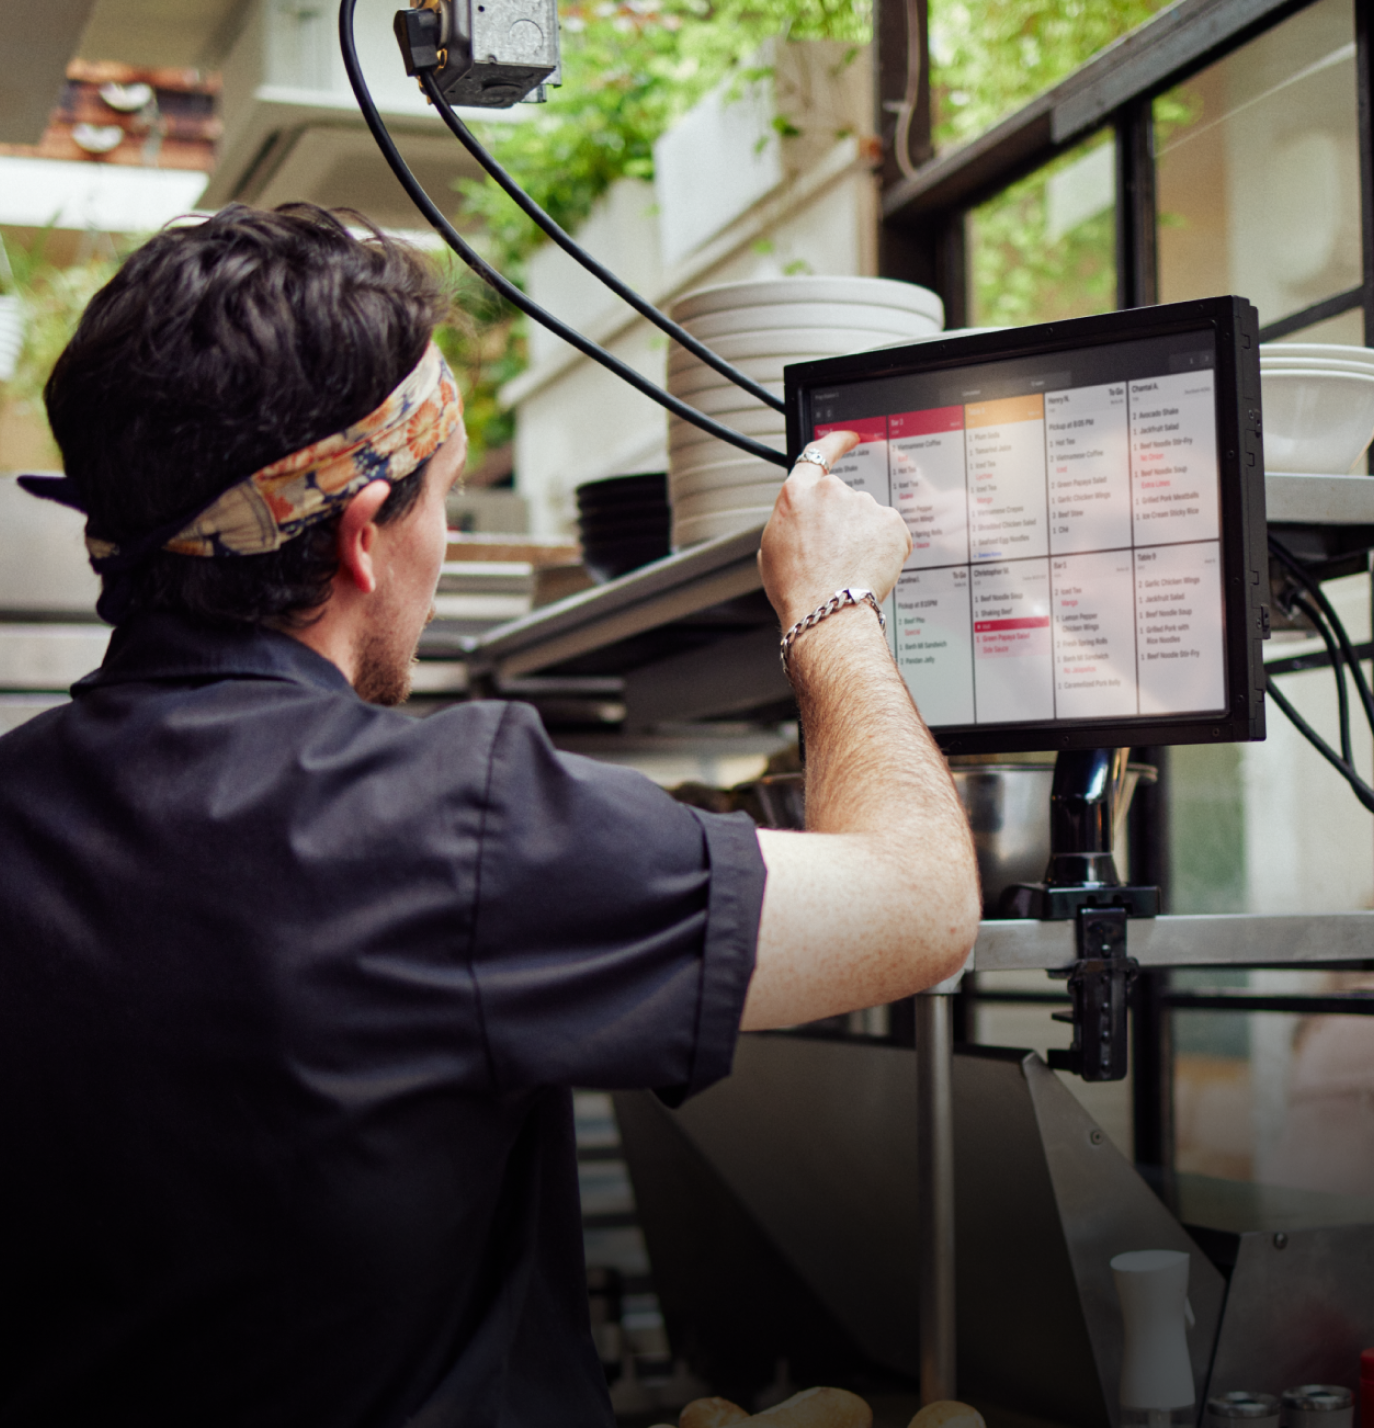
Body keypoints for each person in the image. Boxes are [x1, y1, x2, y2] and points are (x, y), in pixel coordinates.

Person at [0, 203, 979, 1426]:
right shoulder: (440, 825)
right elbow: (924, 905)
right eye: (443, 500)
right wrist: (833, 602)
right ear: (363, 538)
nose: (446, 542)